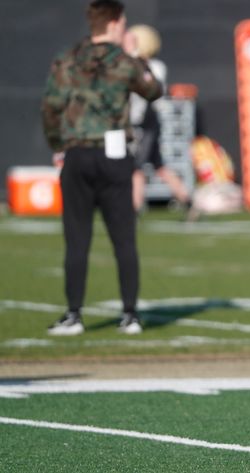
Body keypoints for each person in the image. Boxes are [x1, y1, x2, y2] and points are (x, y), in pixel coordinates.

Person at [41, 0, 161, 335]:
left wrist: (58, 145)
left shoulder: (67, 58)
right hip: (114, 154)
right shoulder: (124, 61)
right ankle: (130, 315)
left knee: (77, 239)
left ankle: (73, 314)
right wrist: (137, 57)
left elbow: (50, 107)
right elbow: (154, 90)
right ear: (115, 23)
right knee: (123, 239)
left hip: (77, 153)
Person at [125, 24, 191, 213]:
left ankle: (134, 208)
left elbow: (147, 94)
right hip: (143, 122)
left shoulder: (153, 67)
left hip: (145, 122)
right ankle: (187, 200)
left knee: (136, 167)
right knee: (159, 165)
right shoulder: (135, 66)